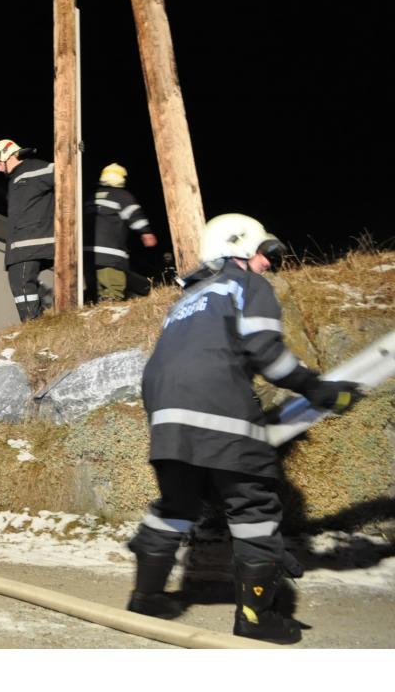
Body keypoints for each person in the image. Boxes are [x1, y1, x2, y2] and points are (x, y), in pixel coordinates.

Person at [126, 213, 360, 644]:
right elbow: (266, 351)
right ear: (237, 248)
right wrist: (317, 389)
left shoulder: (184, 303)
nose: (269, 263)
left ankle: (146, 597)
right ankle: (256, 617)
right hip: (221, 413)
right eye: (264, 253)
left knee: (177, 506)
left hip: (166, 420)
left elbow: (160, 367)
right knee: (253, 509)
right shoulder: (246, 285)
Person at [0, 138, 55, 321]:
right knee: (20, 282)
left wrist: (75, 154)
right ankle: (42, 309)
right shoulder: (16, 178)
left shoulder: (35, 168)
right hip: (22, 245)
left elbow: (65, 171)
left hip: (31, 242)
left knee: (22, 282)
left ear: (8, 155)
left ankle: (33, 326)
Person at [83, 162, 157, 301]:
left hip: (87, 255)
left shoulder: (90, 197)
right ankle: (111, 310)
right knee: (113, 292)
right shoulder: (121, 195)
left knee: (95, 292)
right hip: (111, 255)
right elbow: (135, 215)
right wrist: (146, 232)